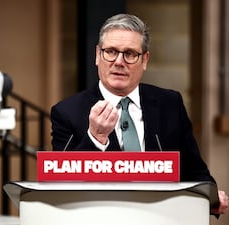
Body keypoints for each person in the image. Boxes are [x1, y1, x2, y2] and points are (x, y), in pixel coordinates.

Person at [50, 13, 228, 215]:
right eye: (111, 51)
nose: (119, 61)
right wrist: (96, 138)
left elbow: (194, 170)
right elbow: (59, 184)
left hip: (162, 217)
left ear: (145, 60)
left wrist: (211, 196)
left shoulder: (170, 104)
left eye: (130, 54)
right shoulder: (67, 112)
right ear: (97, 55)